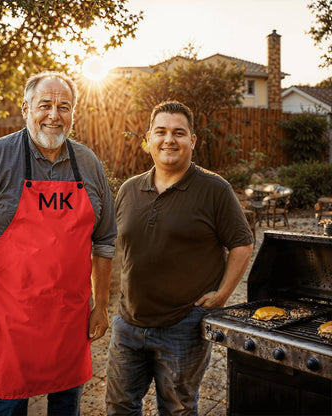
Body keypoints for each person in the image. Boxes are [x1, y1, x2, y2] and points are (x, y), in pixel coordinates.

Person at [0, 71, 116, 416]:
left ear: (73, 115)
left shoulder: (89, 164)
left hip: (69, 321)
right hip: (14, 323)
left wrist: (101, 304)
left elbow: (105, 238)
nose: (54, 115)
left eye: (64, 107)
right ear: (25, 109)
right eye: (45, 105)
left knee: (67, 407)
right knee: (10, 409)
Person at [106, 101, 253, 415]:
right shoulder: (130, 190)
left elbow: (242, 244)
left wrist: (223, 293)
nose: (169, 140)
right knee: (119, 406)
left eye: (178, 133)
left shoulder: (215, 190)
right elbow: (121, 248)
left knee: (177, 409)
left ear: (193, 141)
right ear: (148, 139)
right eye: (160, 132)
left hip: (183, 325)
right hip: (128, 324)